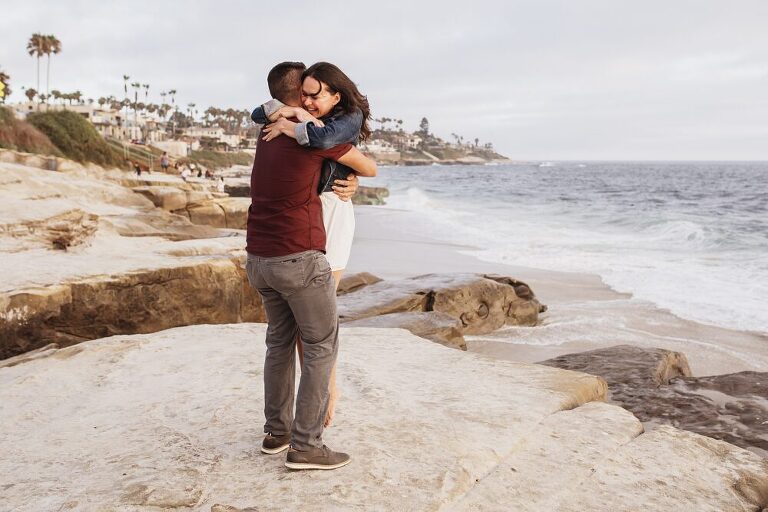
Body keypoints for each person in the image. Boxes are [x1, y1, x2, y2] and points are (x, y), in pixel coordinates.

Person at [245, 61, 376, 470]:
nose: (310, 99)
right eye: (307, 93)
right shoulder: (312, 139)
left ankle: (276, 433)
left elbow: (354, 168)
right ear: (298, 94)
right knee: (320, 345)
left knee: (279, 343)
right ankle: (306, 445)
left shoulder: (266, 133)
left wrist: (349, 181)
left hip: (259, 258)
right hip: (298, 256)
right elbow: (364, 162)